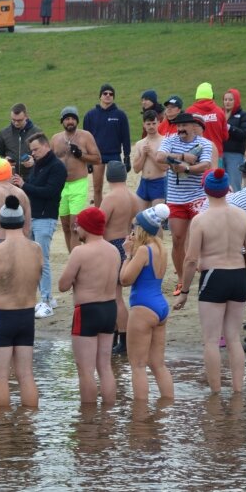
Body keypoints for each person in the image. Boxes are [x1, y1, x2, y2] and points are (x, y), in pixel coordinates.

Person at [173, 168, 246, 393]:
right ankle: (238, 391)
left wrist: (184, 291)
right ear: (227, 188)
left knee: (211, 340)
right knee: (234, 338)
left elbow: (191, 260)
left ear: (206, 190)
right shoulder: (242, 215)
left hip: (214, 276)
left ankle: (216, 393)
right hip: (238, 274)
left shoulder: (201, 220)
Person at [0, 196, 41, 407]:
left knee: (0, 377)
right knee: (26, 375)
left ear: (2, 222)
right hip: (26, 315)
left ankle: (1, 431)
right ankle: (28, 427)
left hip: (1, 315)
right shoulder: (36, 249)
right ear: (22, 221)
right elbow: (37, 278)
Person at [58, 207, 119, 404]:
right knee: (105, 366)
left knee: (85, 370)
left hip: (87, 311)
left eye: (78, 226)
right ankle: (108, 418)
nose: (76, 230)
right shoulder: (114, 251)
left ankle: (88, 420)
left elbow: (63, 285)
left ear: (86, 227)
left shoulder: (80, 252)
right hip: (110, 309)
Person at [119, 204, 173, 401]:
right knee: (158, 364)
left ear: (141, 229)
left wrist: (127, 255)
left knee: (138, 366)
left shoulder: (143, 251)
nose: (132, 231)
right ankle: (167, 406)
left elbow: (125, 280)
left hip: (143, 307)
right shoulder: (161, 248)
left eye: (134, 227)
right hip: (160, 306)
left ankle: (140, 417)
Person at [156, 112, 213, 296]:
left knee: (204, 240)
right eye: (178, 126)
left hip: (198, 197)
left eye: (183, 126)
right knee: (177, 240)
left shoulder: (204, 143)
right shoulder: (170, 139)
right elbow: (159, 157)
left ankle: (207, 277)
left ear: (193, 126)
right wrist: (181, 156)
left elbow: (205, 166)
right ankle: (181, 279)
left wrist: (186, 168)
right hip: (175, 198)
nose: (180, 129)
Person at [12, 133, 67, 319]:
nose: (33, 153)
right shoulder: (39, 166)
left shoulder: (57, 167)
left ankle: (45, 300)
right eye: (31, 150)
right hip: (33, 217)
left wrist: (24, 185)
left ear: (46, 146)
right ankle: (47, 299)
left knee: (42, 260)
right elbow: (34, 187)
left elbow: (50, 192)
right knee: (35, 260)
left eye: (35, 149)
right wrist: (24, 184)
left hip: (46, 218)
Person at [99, 161, 140, 355]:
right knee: (116, 295)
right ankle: (116, 335)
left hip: (112, 245)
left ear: (108, 177)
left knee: (115, 296)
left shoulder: (111, 198)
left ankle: (123, 339)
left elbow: (99, 224)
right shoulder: (133, 197)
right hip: (126, 244)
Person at [51, 105, 101, 252]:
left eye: (73, 118)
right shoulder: (55, 139)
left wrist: (81, 155)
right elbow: (48, 160)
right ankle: (73, 256)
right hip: (60, 186)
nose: (70, 121)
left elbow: (98, 158)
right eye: (67, 119)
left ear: (77, 121)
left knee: (74, 226)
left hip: (78, 184)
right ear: (62, 121)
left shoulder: (86, 136)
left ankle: (77, 259)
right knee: (66, 226)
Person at [83, 84, 131, 206]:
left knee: (117, 188)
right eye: (105, 93)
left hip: (114, 155)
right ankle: (99, 215)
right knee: (97, 187)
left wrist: (127, 156)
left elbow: (126, 137)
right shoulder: (90, 115)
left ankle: (118, 213)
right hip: (96, 156)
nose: (108, 95)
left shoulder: (120, 115)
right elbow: (85, 139)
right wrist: (87, 161)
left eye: (111, 94)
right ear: (100, 96)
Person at [0, 103, 42, 178]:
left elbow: (45, 155)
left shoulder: (37, 133)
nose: (16, 123)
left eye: (19, 120)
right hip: (10, 180)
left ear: (26, 116)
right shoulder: (4, 133)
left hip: (31, 180)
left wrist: (34, 162)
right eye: (13, 120)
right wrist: (4, 160)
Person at [132, 110, 167, 209]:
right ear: (144, 125)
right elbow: (136, 169)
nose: (151, 126)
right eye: (148, 124)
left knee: (156, 218)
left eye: (154, 123)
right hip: (144, 183)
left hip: (159, 183)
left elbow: (165, 167)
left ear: (159, 123)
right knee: (139, 217)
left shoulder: (164, 142)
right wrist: (143, 155)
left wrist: (151, 154)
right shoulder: (140, 144)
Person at [186, 82, 228, 160]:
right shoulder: (220, 112)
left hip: (195, 156)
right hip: (216, 154)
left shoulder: (189, 111)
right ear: (211, 95)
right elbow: (225, 136)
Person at [222, 89, 246, 191]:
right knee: (220, 183)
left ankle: (235, 204)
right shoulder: (220, 114)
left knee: (234, 183)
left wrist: (230, 128)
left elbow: (244, 134)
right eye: (225, 99)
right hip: (220, 154)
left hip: (235, 155)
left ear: (237, 101)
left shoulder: (244, 115)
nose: (227, 102)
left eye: (230, 99)